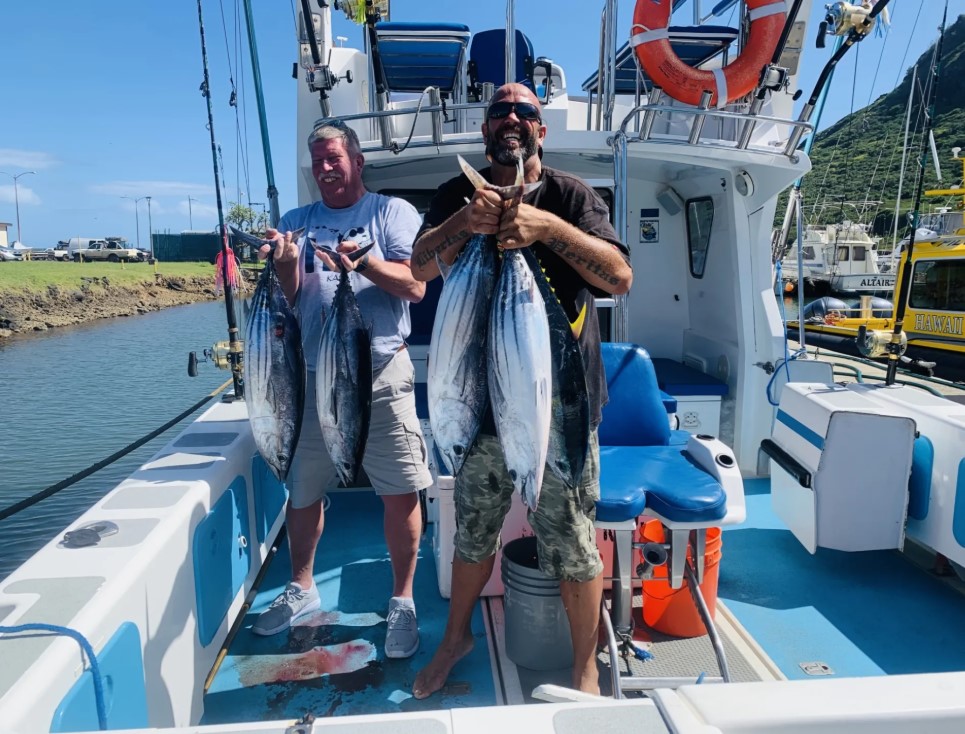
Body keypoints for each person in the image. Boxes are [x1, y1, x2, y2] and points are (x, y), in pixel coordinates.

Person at [409, 83, 633, 697]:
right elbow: (419, 267)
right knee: (473, 529)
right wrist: (465, 220)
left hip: (557, 402)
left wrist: (543, 228)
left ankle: (586, 666)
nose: (512, 119)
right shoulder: (458, 193)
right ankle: (456, 638)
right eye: (500, 112)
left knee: (571, 537)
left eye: (525, 112)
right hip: (477, 404)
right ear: (485, 131)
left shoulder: (571, 195)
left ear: (542, 129)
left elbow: (618, 276)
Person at [252, 121, 434, 661]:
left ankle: (402, 600)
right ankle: (302, 585)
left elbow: (416, 286)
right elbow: (291, 294)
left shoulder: (392, 213)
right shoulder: (296, 222)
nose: (324, 168)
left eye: (333, 157)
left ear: (356, 160)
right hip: (310, 374)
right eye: (316, 160)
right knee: (303, 488)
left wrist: (365, 264)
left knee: (399, 488)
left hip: (379, 370)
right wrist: (286, 264)